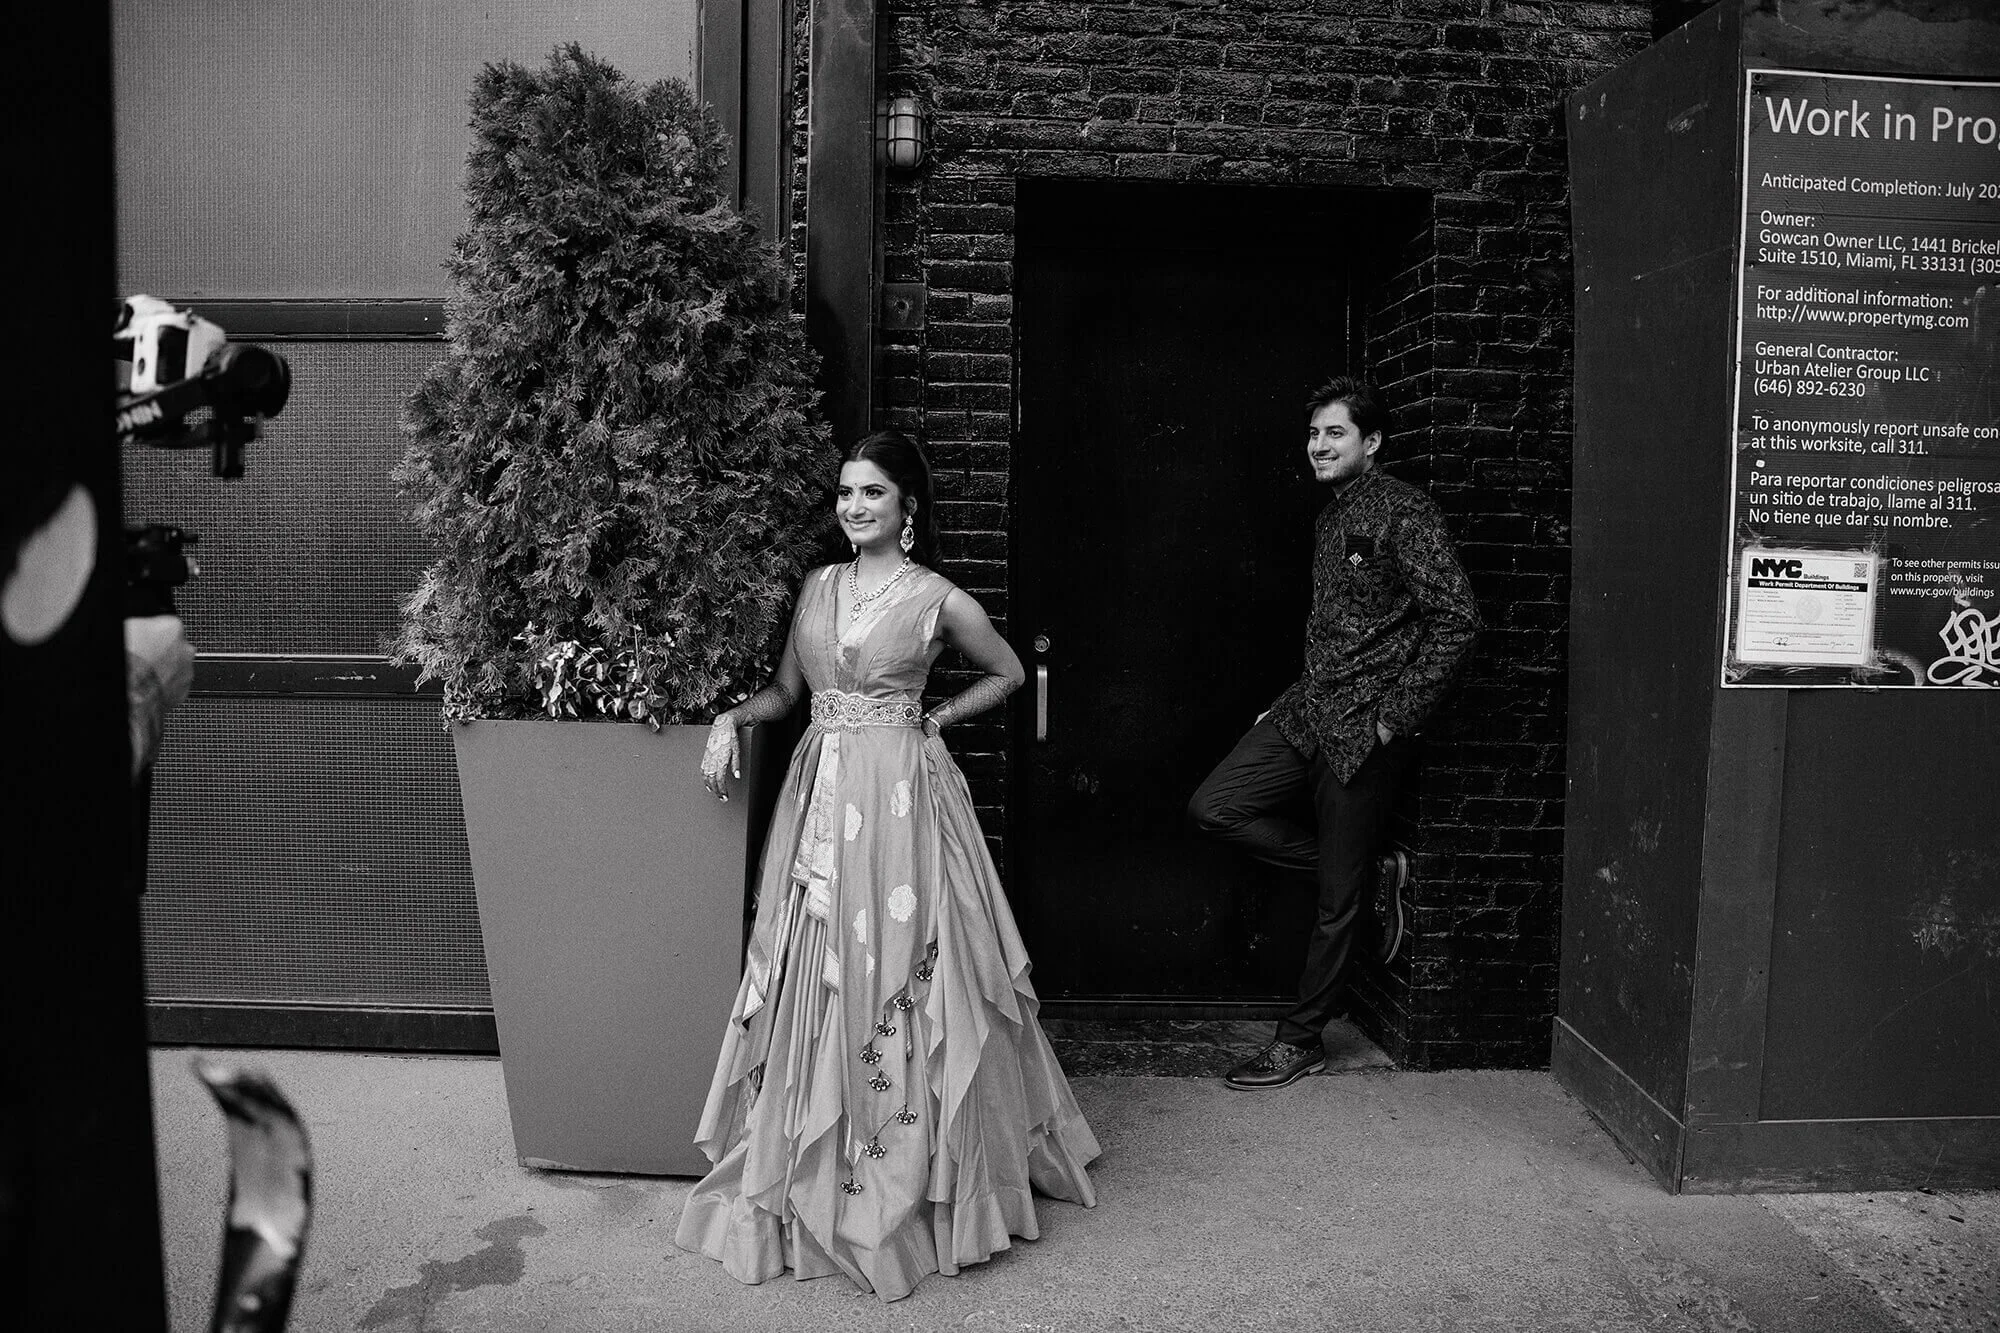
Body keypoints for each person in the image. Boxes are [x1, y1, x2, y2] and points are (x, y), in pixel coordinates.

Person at [676, 430, 1098, 1301]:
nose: (854, 506)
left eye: (872, 493)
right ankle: (806, 1160)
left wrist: (935, 721)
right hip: (821, 796)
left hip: (902, 804)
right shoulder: (817, 587)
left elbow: (1010, 672)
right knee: (811, 962)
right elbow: (789, 695)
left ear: (909, 508)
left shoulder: (939, 598)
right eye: (845, 493)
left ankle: (905, 1171)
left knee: (899, 965)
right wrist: (730, 718)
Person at [1189, 376, 1479, 1090]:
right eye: (1314, 434)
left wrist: (1393, 715)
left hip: (1364, 732)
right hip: (1307, 713)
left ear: (1371, 442)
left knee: (1333, 908)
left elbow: (1457, 620)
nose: (1318, 445)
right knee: (1215, 807)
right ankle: (1369, 876)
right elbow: (1343, 632)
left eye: (1335, 433)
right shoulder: (1333, 518)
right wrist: (1287, 699)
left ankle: (1300, 1039)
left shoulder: (1407, 513)